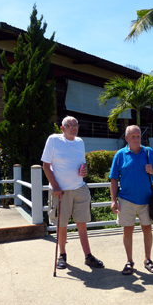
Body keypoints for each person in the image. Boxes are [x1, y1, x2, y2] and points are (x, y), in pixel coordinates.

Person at [42, 116, 104, 270]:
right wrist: (55, 186)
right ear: (62, 128)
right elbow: (45, 165)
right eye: (70, 125)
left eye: (76, 125)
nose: (74, 128)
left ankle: (88, 256)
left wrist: (84, 170)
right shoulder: (53, 140)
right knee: (61, 225)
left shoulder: (80, 142)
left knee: (82, 223)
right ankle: (62, 255)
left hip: (80, 188)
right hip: (61, 190)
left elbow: (81, 165)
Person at [109, 125, 153, 275]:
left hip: (146, 200)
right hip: (126, 200)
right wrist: (113, 200)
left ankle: (148, 260)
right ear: (126, 138)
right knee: (128, 230)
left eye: (138, 136)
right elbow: (113, 179)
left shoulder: (148, 152)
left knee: (147, 229)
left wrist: (152, 171)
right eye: (133, 136)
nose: (136, 139)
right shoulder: (120, 155)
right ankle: (129, 261)